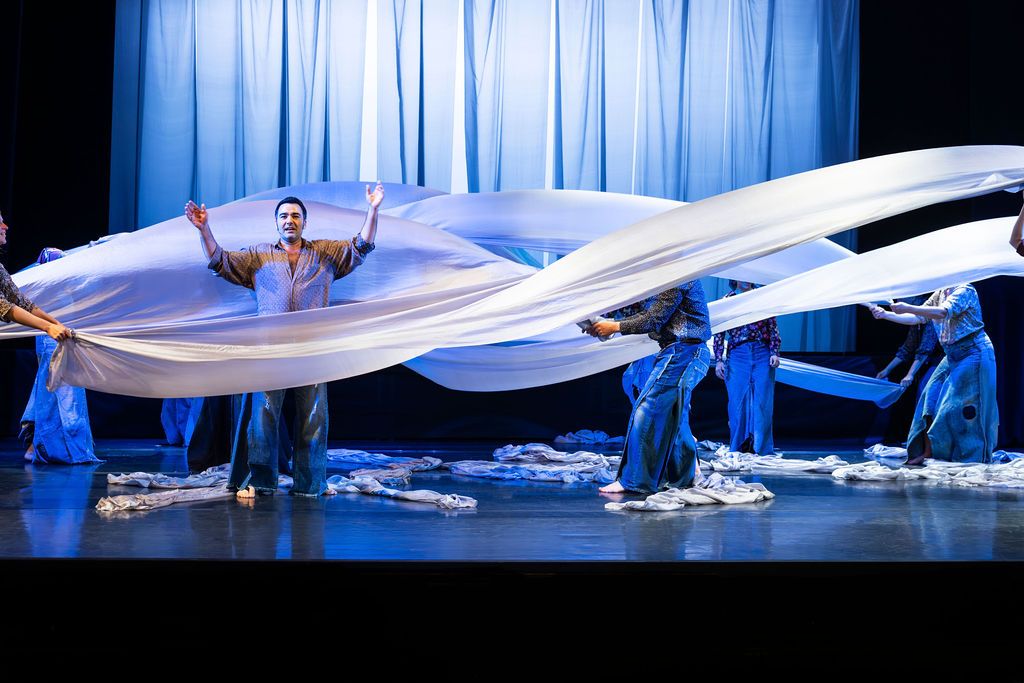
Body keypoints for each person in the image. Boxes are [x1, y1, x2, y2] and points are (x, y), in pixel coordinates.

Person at [184, 185, 383, 498]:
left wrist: (373, 209)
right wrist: (204, 229)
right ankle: (261, 481)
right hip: (270, 351)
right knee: (262, 418)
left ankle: (311, 484)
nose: (290, 220)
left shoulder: (324, 253)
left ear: (304, 222)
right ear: (276, 222)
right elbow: (220, 260)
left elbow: (362, 245)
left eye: (295, 216)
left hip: (312, 350)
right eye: (284, 216)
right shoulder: (259, 255)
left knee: (313, 418)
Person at [585, 281, 712, 494]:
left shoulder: (678, 276)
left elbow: (654, 319)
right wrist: (607, 325)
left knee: (647, 410)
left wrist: (614, 327)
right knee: (672, 415)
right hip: (679, 351)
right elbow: (647, 314)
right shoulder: (665, 279)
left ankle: (634, 480)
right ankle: (686, 475)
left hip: (684, 352)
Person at [870, 284, 997, 465]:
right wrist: (886, 315)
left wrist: (908, 307)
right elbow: (918, 317)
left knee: (959, 406)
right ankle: (929, 453)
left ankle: (968, 457)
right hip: (951, 354)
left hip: (972, 352)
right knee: (929, 400)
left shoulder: (965, 289)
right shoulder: (940, 293)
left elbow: (942, 312)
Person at [19, 248, 99, 464]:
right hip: (53, 344)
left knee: (57, 393)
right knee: (59, 394)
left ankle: (47, 445)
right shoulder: (46, 287)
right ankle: (52, 447)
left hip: (59, 341)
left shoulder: (60, 286)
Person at [712, 281, 781, 455]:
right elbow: (719, 332)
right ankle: (738, 446)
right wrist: (718, 359)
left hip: (762, 352)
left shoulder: (762, 297)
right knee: (737, 402)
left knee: (762, 400)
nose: (744, 280)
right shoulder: (727, 301)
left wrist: (774, 351)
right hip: (738, 354)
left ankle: (761, 448)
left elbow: (773, 327)